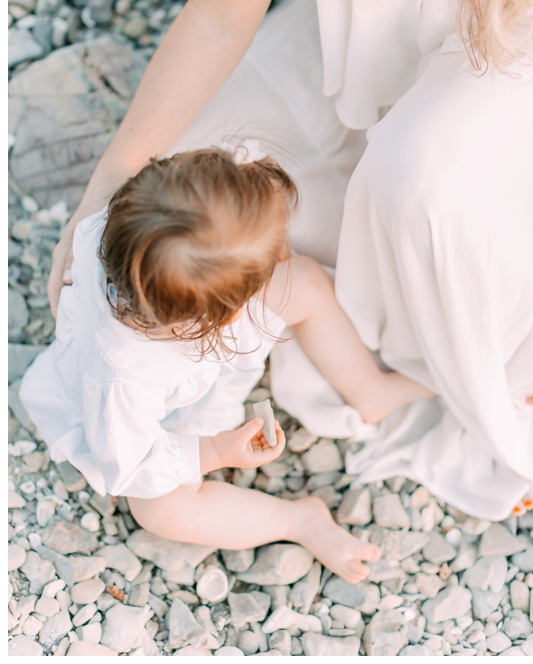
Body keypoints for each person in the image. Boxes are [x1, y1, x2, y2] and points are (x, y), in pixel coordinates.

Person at [60, 0, 533, 521]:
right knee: (196, 185)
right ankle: (324, 474)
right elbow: (222, 11)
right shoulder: (122, 372)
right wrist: (100, 194)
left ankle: (493, 367)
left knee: (417, 192)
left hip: (519, 54)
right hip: (373, 36)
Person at [18, 147, 442, 582]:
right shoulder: (122, 379)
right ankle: (300, 522)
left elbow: (209, 200)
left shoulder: (132, 227)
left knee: (307, 279)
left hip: (192, 339)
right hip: (165, 416)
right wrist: (215, 451)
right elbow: (132, 465)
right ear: (223, 316)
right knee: (161, 511)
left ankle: (367, 389)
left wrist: (259, 232)